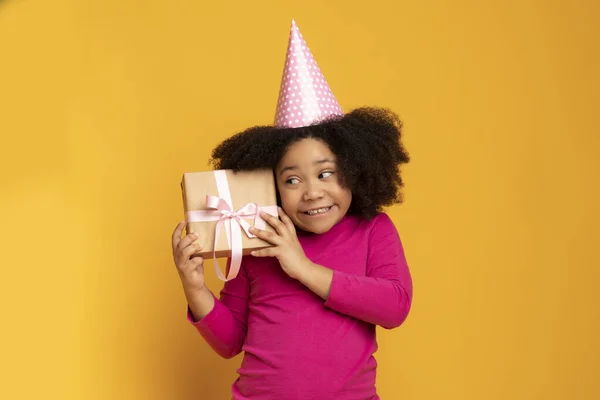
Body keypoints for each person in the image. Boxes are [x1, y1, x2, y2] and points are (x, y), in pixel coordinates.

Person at [171, 20, 413, 400]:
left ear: (355, 169)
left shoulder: (373, 229)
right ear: (272, 185)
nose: (312, 192)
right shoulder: (259, 238)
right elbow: (230, 341)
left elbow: (394, 306)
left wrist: (302, 267)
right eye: (292, 180)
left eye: (326, 173)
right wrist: (196, 287)